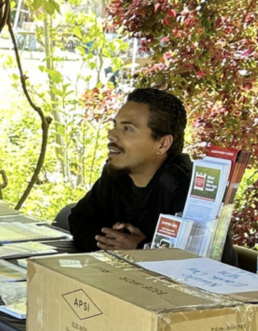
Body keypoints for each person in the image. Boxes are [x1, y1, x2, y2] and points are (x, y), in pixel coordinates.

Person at [68, 87, 238, 265]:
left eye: (127, 128)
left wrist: (142, 250)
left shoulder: (192, 190)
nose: (111, 135)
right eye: (115, 125)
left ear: (163, 144)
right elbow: (79, 219)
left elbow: (211, 266)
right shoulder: (117, 172)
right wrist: (112, 242)